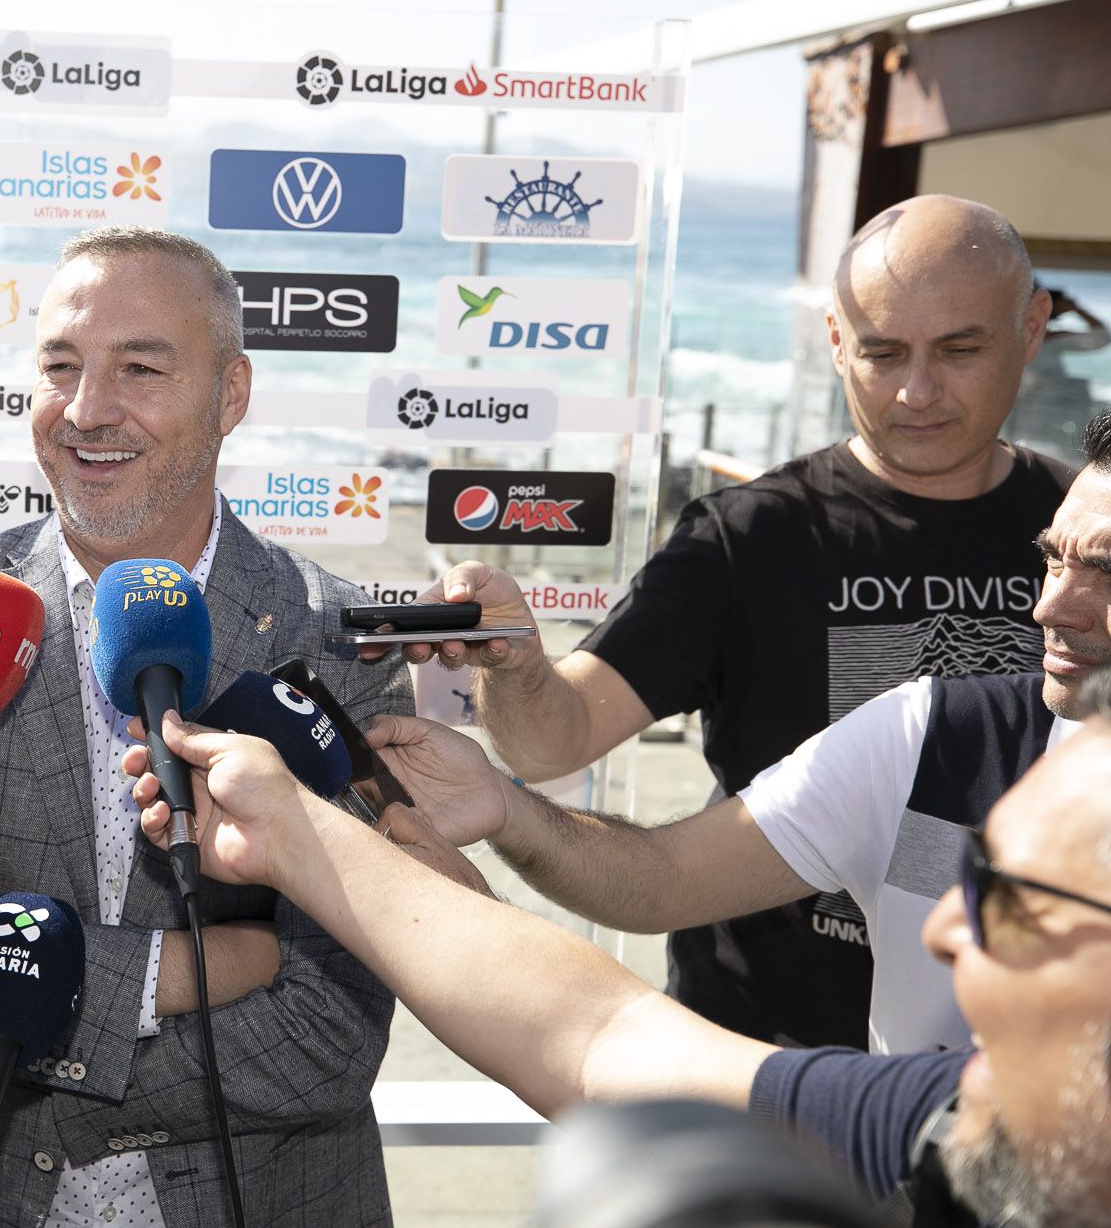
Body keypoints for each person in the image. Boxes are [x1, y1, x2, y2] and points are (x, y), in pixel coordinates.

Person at [0, 227, 413, 1227]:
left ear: (229, 393)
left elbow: (329, 1029)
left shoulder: (332, 646)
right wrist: (208, 968)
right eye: (60, 366)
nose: (87, 411)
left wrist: (9, 984)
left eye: (138, 368)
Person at [397, 195, 1071, 1048]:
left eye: (960, 349)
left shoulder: (1085, 530)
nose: (917, 389)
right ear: (835, 343)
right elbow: (552, 743)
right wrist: (515, 666)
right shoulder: (750, 536)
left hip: (1028, 1057)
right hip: (762, 1061)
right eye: (881, 351)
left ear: (1033, 326)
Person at [129, 684, 1111, 1228]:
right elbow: (598, 1033)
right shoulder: (958, 1119)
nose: (946, 926)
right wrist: (294, 833)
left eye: (1011, 896)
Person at [366, 405, 1111, 1053]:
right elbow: (660, 879)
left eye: (1107, 572)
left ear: (1030, 328)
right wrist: (504, 802)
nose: (1053, 607)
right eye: (1052, 561)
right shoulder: (930, 735)